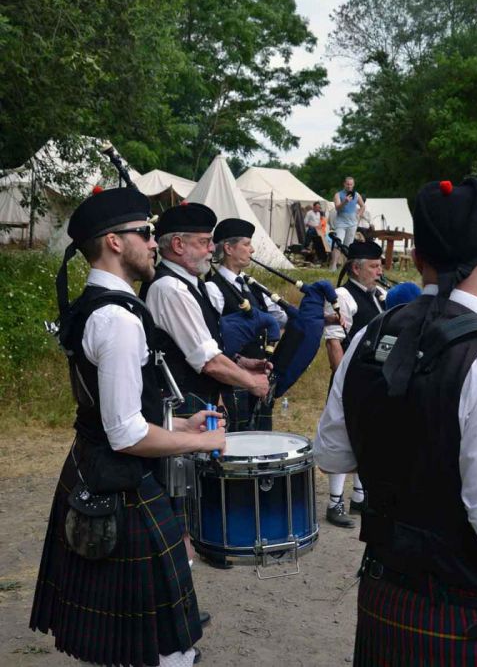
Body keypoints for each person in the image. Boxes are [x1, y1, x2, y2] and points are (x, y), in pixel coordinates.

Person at [30, 187, 226, 667]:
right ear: (114, 242)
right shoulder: (117, 319)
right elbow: (126, 434)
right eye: (144, 233)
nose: (154, 242)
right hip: (120, 481)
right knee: (161, 649)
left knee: (128, 643)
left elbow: (112, 411)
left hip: (95, 468)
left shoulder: (96, 305)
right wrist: (201, 440)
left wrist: (177, 420)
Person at [314, 177, 477, 665]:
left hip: (386, 595)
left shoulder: (368, 338)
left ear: (416, 259)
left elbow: (332, 455)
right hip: (467, 615)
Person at [141, 203, 269, 567]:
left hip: (192, 402)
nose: (211, 248)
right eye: (204, 241)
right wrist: (250, 383)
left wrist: (244, 364)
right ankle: (176, 595)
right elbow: (207, 361)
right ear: (178, 245)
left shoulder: (189, 285)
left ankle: (186, 574)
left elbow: (207, 348)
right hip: (177, 405)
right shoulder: (170, 289)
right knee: (176, 499)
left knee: (190, 494)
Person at [323, 240, 385, 528]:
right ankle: (334, 502)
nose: (379, 270)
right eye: (373, 266)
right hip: (350, 380)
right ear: (355, 268)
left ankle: (359, 496)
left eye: (380, 264)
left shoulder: (379, 295)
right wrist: (342, 379)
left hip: (375, 381)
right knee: (342, 435)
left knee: (369, 436)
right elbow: (334, 340)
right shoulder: (342, 296)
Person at [206, 217, 287, 431]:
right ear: (229, 248)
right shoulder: (213, 288)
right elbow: (214, 336)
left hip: (259, 375)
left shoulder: (251, 284)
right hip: (232, 379)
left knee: (261, 438)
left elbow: (280, 316)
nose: (251, 250)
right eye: (246, 244)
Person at [331, 177, 365, 270]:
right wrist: (345, 201)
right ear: (344, 184)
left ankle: (346, 268)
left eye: (351, 184)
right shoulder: (338, 195)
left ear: (353, 185)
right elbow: (337, 208)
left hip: (352, 224)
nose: (349, 186)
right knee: (338, 243)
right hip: (341, 223)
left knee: (348, 246)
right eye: (348, 184)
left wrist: (359, 215)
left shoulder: (357, 195)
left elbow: (362, 206)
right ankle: (333, 266)